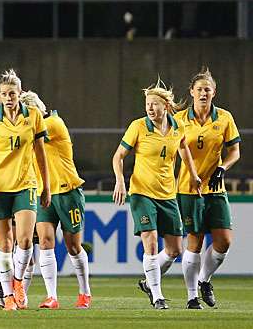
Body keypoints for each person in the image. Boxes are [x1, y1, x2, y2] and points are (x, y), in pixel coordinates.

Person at [112, 77, 201, 310]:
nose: (150, 108)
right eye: (147, 104)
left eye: (154, 104)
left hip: (168, 194)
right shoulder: (138, 126)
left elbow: (184, 148)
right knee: (150, 243)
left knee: (174, 250)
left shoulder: (177, 127)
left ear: (166, 106)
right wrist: (120, 180)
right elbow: (118, 156)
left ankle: (147, 282)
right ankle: (157, 295)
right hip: (142, 192)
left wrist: (193, 174)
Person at [0, 69, 51, 311]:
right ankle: (7, 295)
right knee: (4, 244)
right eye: (5, 94)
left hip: (25, 184)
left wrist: (46, 185)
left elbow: (40, 153)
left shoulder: (34, 116)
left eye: (12, 94)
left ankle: (18, 282)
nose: (8, 98)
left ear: (20, 94)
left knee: (26, 240)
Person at [175, 67, 241, 309]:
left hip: (216, 188)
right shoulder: (180, 119)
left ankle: (204, 280)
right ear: (192, 92)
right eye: (200, 89)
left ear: (214, 92)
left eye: (208, 89)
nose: (204, 93)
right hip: (189, 188)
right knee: (195, 240)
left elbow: (235, 151)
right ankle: (192, 297)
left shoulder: (224, 118)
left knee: (224, 240)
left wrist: (223, 167)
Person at [20, 91, 92, 309]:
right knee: (45, 242)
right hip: (44, 194)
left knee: (73, 246)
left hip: (68, 192)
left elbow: (31, 132)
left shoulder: (54, 122)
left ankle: (85, 293)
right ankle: (52, 296)